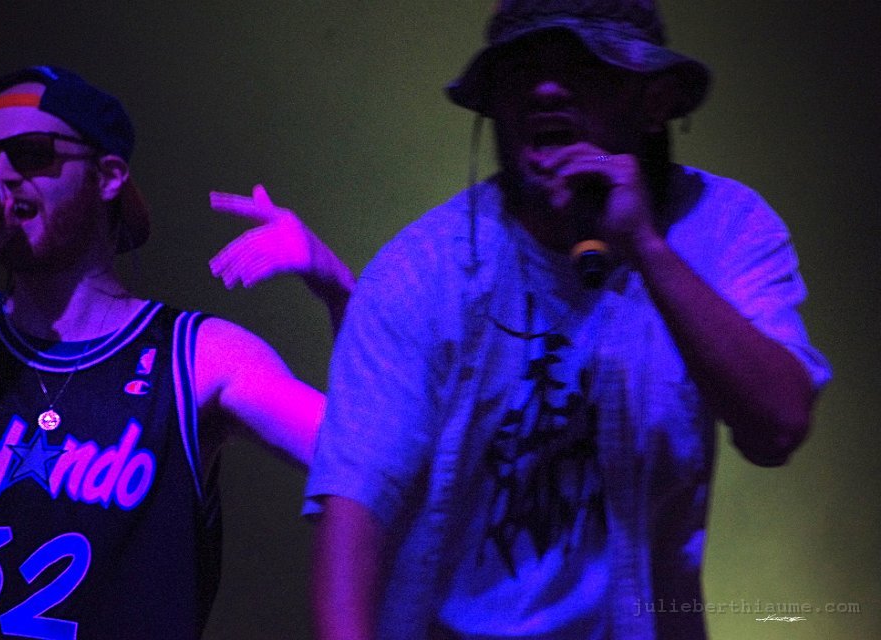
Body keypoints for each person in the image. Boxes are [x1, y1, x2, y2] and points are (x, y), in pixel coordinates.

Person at [305, 2, 831, 639]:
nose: (546, 90)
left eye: (580, 65)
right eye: (520, 71)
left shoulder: (724, 228)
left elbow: (778, 426)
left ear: (655, 99)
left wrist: (646, 247)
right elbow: (355, 505)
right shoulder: (423, 270)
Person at [0, 65, 352, 639]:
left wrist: (341, 291)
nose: (0, 174)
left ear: (107, 177)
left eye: (30, 154)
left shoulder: (199, 357)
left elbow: (366, 457)